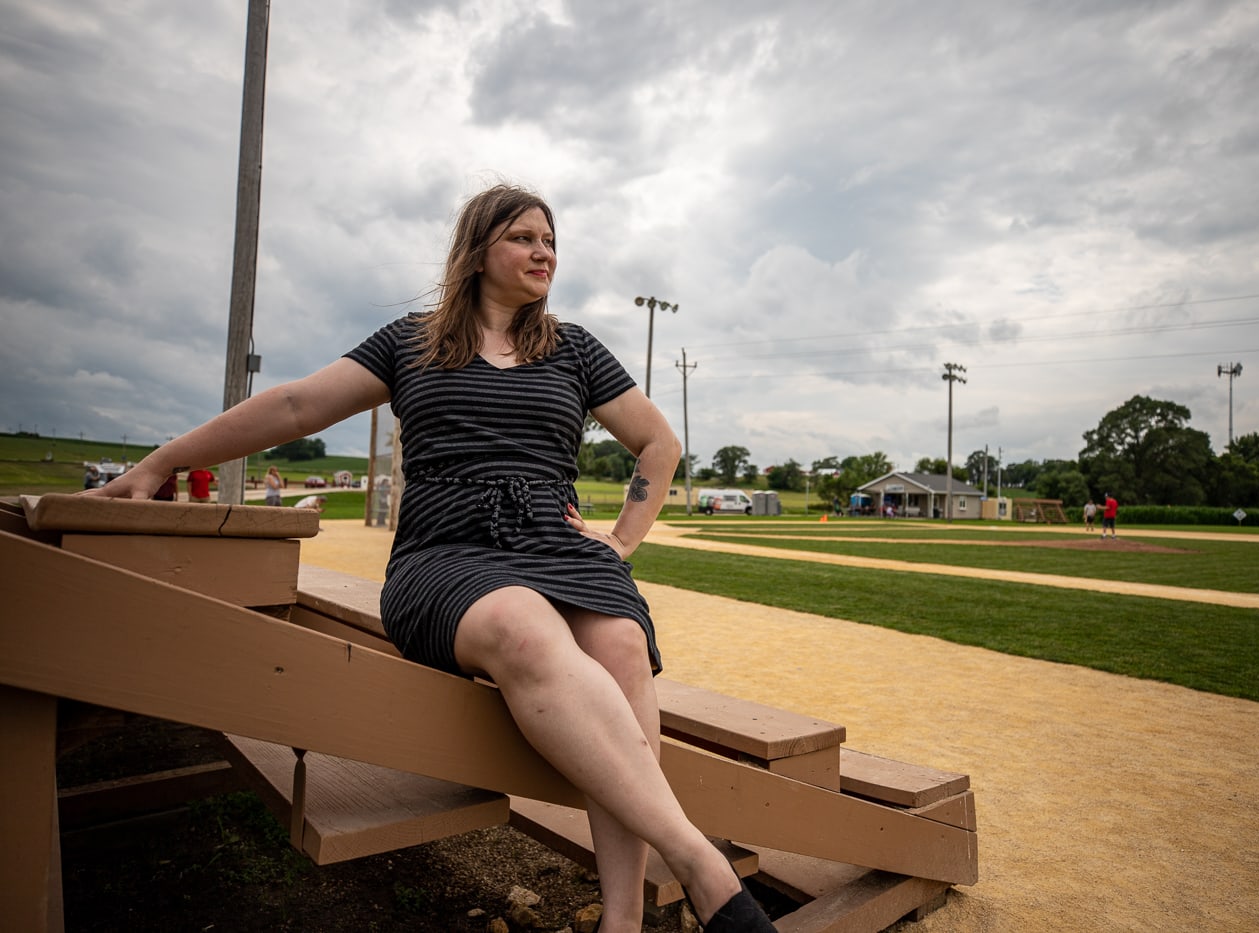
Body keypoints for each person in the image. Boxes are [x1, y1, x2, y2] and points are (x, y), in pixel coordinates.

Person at [82, 184, 775, 933]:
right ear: (478, 250)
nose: (544, 251)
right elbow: (292, 408)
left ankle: (622, 921)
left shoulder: (572, 347)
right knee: (521, 626)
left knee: (621, 644)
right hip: (445, 554)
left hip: (557, 545)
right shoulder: (411, 343)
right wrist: (160, 463)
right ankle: (702, 867)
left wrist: (621, 539)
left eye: (551, 240)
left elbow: (659, 441)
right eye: (524, 237)